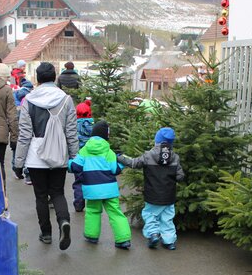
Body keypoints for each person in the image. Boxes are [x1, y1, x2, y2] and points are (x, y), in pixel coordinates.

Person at [14, 62, 79, 250]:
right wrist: (74, 157)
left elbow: (25, 134)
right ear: (54, 77)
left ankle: (46, 233)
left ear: (38, 78)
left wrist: (19, 162)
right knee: (58, 193)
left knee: (41, 196)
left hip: (36, 156)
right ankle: (64, 222)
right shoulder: (66, 100)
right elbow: (71, 132)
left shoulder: (29, 100)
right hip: (59, 153)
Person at [117, 127, 184, 250]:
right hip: (169, 196)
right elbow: (180, 177)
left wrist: (120, 157)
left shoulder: (148, 155)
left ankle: (153, 234)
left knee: (150, 214)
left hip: (152, 195)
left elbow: (133, 163)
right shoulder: (175, 157)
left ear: (157, 141)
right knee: (167, 219)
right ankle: (169, 241)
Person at [68, 120, 132, 249]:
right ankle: (123, 239)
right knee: (115, 212)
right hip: (109, 189)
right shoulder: (109, 152)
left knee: (93, 211)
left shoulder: (85, 150)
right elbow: (115, 170)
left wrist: (68, 163)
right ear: (106, 136)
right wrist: (121, 163)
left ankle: (92, 236)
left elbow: (75, 166)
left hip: (92, 190)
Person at [71, 99, 94, 211]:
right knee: (91, 179)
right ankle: (93, 203)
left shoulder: (73, 125)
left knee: (79, 181)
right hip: (91, 158)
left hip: (79, 158)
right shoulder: (94, 126)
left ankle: (79, 203)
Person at [12, 77, 34, 185]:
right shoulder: (32, 98)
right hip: (30, 127)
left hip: (17, 125)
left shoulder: (15, 94)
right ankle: (28, 174)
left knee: (17, 147)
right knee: (29, 150)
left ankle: (16, 168)